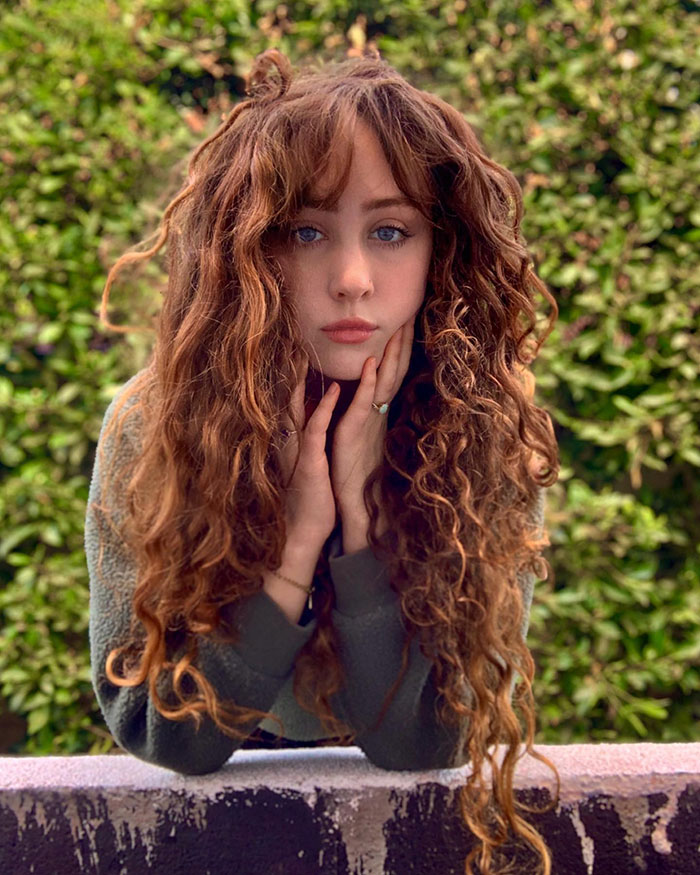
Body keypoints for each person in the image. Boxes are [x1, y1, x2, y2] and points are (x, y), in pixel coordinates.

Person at [86, 47, 560, 874]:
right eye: (308, 231)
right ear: (252, 249)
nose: (351, 279)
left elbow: (428, 741)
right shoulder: (153, 424)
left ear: (439, 248)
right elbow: (161, 731)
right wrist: (298, 545)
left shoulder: (485, 427)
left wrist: (362, 530)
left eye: (389, 231)